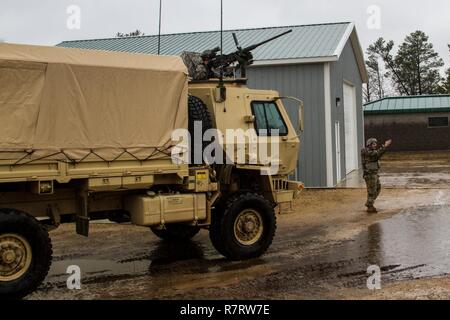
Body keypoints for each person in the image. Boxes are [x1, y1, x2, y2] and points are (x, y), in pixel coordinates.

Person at [361, 138, 392, 213]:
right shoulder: (366, 151)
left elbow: (377, 154)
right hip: (369, 174)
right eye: (373, 144)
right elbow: (376, 155)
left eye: (375, 144)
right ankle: (370, 206)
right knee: (371, 191)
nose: (375, 145)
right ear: (369, 144)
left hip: (374, 174)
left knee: (378, 188)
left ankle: (369, 202)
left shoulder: (372, 151)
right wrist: (385, 146)